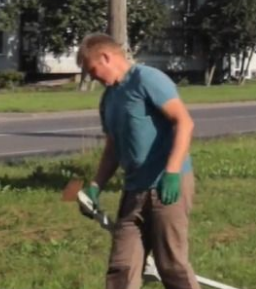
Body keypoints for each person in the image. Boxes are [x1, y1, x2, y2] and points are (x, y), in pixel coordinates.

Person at [77, 33, 198, 289]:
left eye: (92, 69)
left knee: (172, 265)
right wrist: (96, 185)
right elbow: (113, 148)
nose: (92, 77)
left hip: (167, 187)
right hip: (134, 191)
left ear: (106, 57)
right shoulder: (108, 99)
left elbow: (184, 122)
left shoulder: (147, 79)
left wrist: (173, 172)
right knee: (122, 267)